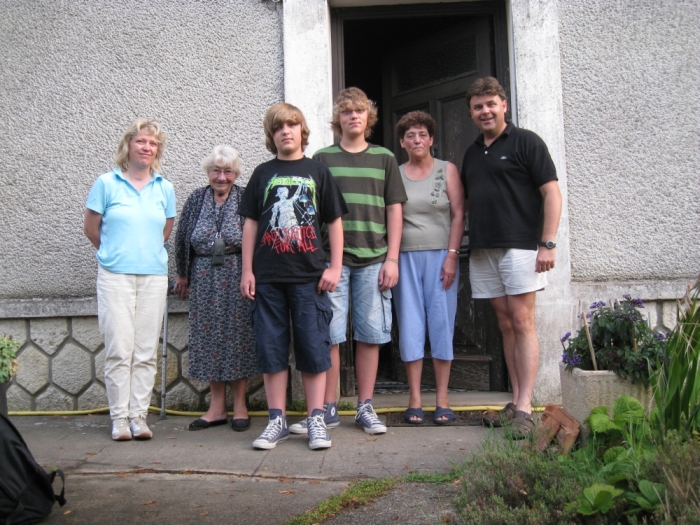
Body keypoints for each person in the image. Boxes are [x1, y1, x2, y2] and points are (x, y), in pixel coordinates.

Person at [239, 103, 348, 450]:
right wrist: (247, 270)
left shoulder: (318, 171)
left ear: (302, 131)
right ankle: (277, 420)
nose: (285, 131)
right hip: (268, 277)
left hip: (309, 277)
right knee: (271, 347)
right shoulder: (262, 174)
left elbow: (334, 223)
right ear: (271, 136)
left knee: (313, 346)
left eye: (292, 124)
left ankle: (316, 418)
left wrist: (334, 267)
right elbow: (251, 224)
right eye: (278, 127)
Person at [460, 77, 562, 438]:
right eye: (478, 106)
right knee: (505, 323)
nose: (485, 111)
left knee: (522, 320)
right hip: (484, 249)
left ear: (504, 105)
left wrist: (547, 243)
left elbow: (552, 193)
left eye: (491, 104)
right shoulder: (472, 153)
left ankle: (525, 407)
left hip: (520, 246)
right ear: (471, 112)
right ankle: (516, 400)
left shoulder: (527, 142)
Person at [303, 87, 406, 436]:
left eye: (359, 111)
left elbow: (394, 210)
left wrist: (393, 259)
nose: (353, 116)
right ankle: (328, 408)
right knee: (330, 335)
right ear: (338, 119)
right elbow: (311, 211)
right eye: (346, 111)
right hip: (331, 262)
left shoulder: (385, 158)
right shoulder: (322, 158)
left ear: (368, 117)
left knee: (371, 334)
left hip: (375, 259)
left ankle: (365, 406)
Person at [84, 118, 176, 441]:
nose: (146, 147)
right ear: (128, 145)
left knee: (146, 351)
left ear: (157, 150)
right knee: (119, 349)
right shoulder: (106, 184)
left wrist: (144, 253)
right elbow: (91, 229)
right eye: (141, 141)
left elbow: (165, 229)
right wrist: (114, 253)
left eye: (152, 143)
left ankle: (139, 417)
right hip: (115, 276)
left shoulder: (164, 188)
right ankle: (120, 419)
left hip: (153, 276)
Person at [174, 145, 256, 432]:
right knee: (209, 339)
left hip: (238, 274)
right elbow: (182, 236)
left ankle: (241, 406)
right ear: (208, 172)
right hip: (203, 277)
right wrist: (182, 274)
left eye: (228, 171)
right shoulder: (196, 198)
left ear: (236, 174)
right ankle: (217, 408)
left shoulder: (245, 197)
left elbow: (256, 237)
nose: (221, 177)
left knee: (238, 338)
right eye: (216, 171)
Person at [392, 111, 464, 425]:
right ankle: (415, 399)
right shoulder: (395, 173)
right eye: (410, 135)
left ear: (431, 139)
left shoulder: (447, 170)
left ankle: (442, 399)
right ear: (402, 142)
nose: (417, 140)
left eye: (422, 134)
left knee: (441, 323)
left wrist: (452, 256)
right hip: (405, 257)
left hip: (441, 258)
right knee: (410, 324)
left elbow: (459, 214)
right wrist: (391, 260)